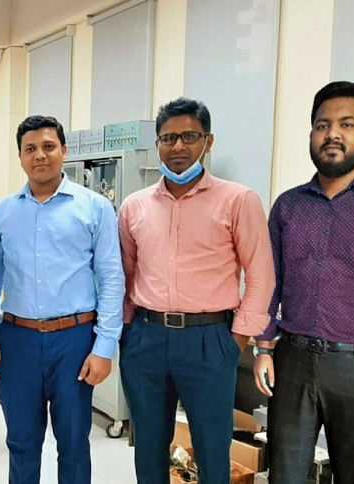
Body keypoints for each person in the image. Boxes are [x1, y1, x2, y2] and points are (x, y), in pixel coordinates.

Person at [117, 98, 274, 483]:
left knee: (211, 451)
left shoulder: (238, 200)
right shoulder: (134, 207)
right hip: (146, 339)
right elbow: (124, 275)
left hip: (210, 340)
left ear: (208, 141)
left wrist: (234, 342)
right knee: (148, 448)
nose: (178, 146)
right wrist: (127, 332)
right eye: (168, 138)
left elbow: (261, 277)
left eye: (189, 136)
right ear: (157, 144)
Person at [253, 81, 354, 483]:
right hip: (293, 362)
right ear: (312, 134)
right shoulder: (288, 206)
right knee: (285, 474)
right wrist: (263, 347)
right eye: (322, 125)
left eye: (346, 124)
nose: (332, 134)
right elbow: (269, 280)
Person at [0, 115, 125, 484]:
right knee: (21, 443)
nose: (39, 155)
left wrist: (105, 347)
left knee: (73, 443)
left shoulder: (94, 208)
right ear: (20, 157)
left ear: (64, 151)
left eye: (48, 146)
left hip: (74, 340)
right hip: (18, 340)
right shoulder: (5, 211)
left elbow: (112, 278)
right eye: (30, 149)